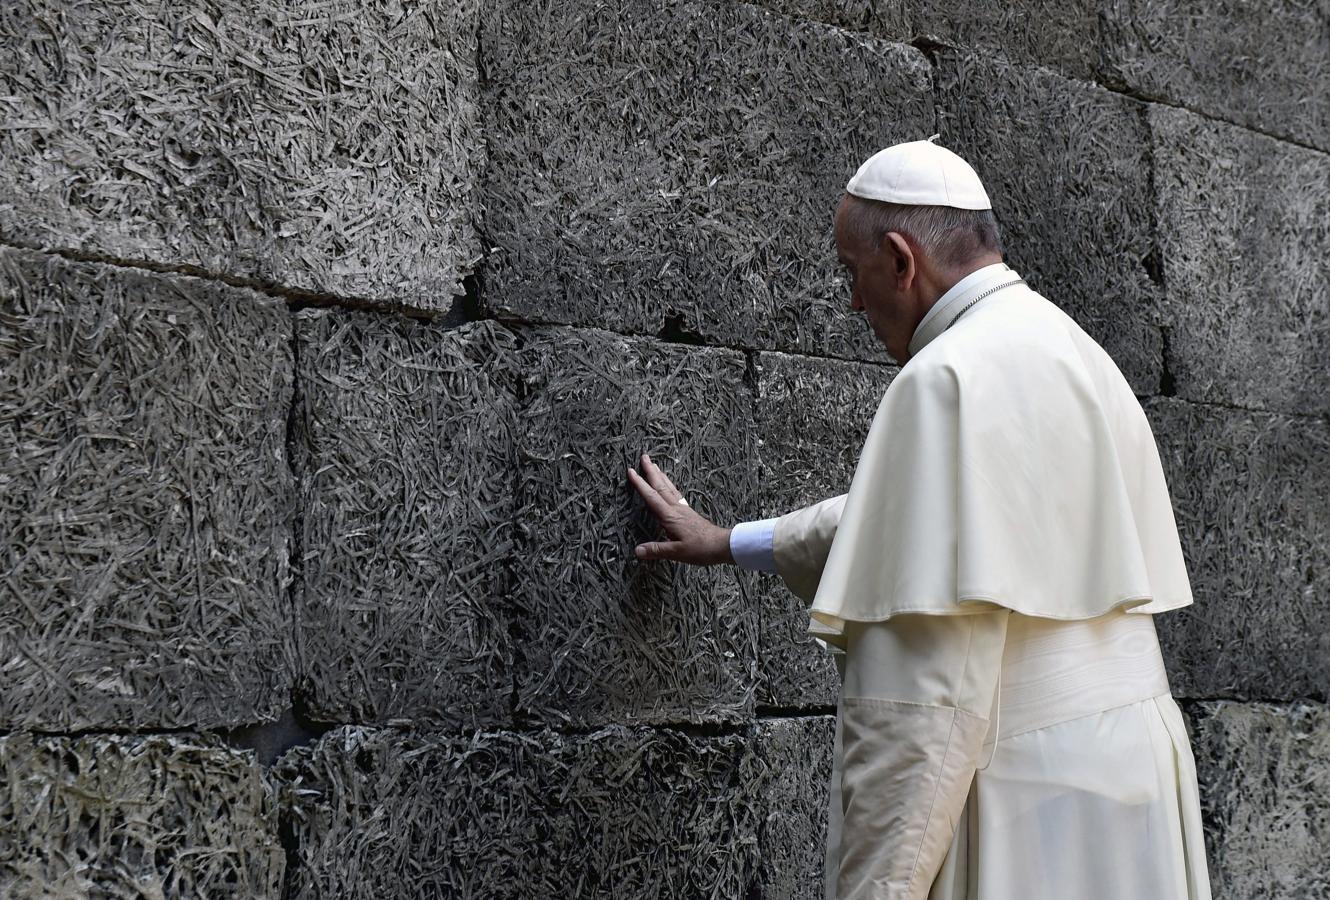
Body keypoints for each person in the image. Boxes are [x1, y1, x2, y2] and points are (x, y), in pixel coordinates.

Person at [626, 137, 1212, 899]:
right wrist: (730, 543)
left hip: (1026, 801)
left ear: (901, 260)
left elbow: (919, 700)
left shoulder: (944, 378)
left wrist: (879, 885)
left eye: (853, 273)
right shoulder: (1074, 352)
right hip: (1136, 776)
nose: (853, 302)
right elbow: (923, 528)